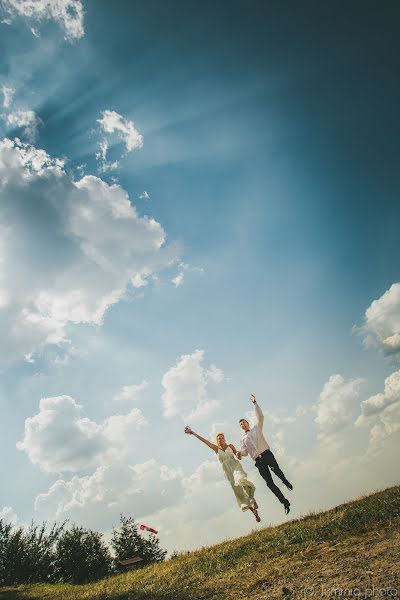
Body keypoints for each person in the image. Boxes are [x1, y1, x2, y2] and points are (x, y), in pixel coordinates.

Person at [184, 425, 261, 521]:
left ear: (225, 439)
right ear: (217, 440)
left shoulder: (230, 446)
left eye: (222, 438)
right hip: (228, 472)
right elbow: (205, 441)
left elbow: (239, 457)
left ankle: (252, 500)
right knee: (239, 492)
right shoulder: (216, 448)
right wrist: (193, 433)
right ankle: (254, 512)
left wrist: (238, 454)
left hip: (235, 466)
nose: (221, 439)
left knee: (241, 480)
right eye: (219, 438)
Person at [237, 394, 293, 515]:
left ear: (248, 423)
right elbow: (245, 452)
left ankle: (285, 481)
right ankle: (284, 502)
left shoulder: (256, 428)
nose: (242, 424)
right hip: (258, 461)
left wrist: (255, 403)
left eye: (244, 422)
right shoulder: (242, 439)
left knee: (276, 470)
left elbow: (261, 416)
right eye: (240, 424)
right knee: (269, 483)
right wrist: (239, 453)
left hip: (267, 455)